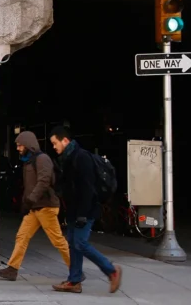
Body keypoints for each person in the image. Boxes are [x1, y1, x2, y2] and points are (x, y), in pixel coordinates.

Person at [49, 126, 122, 294]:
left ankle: (111, 270)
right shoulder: (68, 159)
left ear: (65, 140)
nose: (54, 147)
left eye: (55, 143)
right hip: (76, 210)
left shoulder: (81, 157)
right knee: (74, 244)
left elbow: (88, 189)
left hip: (85, 210)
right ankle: (74, 280)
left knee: (80, 243)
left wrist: (82, 214)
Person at [0, 131, 70, 281]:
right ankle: (12, 269)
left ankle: (76, 271)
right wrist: (26, 203)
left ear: (28, 144)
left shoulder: (42, 159)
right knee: (22, 236)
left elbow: (44, 181)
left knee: (58, 241)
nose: (18, 148)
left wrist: (30, 199)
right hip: (35, 208)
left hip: (46, 207)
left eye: (20, 145)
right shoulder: (29, 161)